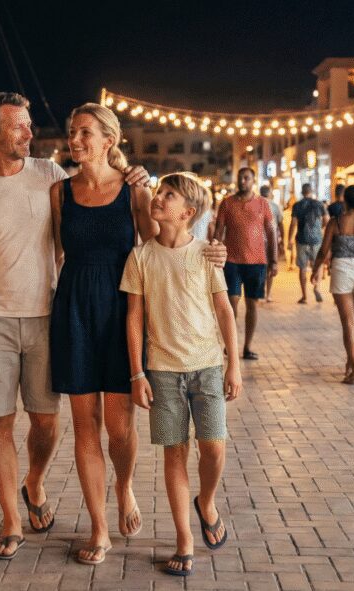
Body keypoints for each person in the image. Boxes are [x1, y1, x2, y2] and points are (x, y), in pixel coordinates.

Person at [0, 92, 171, 560]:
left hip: (58, 315)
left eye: (30, 124)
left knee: (55, 422)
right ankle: (15, 521)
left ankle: (49, 482)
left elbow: (151, 240)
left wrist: (203, 254)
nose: (30, 133)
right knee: (3, 424)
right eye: (18, 126)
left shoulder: (51, 176)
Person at [48, 103, 158, 565]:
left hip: (119, 308)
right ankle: (98, 527)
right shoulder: (60, 192)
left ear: (109, 139)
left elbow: (159, 244)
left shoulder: (132, 190)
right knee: (83, 424)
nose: (76, 140)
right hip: (72, 306)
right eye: (73, 132)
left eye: (85, 132)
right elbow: (56, 254)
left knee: (119, 426)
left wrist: (150, 192)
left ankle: (124, 484)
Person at [121, 172, 242, 577]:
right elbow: (134, 317)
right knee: (174, 454)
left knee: (214, 448)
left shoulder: (206, 253)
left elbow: (224, 310)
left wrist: (234, 364)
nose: (158, 199)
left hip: (207, 366)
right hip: (162, 371)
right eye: (158, 193)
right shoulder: (141, 256)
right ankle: (184, 538)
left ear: (188, 212)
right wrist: (137, 373)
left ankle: (206, 502)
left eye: (168, 196)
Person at [312, 185, 354, 384]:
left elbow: (323, 250)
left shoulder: (336, 223)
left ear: (345, 200)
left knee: (348, 323)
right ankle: (351, 364)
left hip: (342, 269)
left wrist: (316, 269)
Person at [213, 167, 277, 359]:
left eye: (246, 178)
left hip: (257, 262)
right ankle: (230, 345)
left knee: (252, 305)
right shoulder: (227, 203)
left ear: (253, 181)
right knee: (231, 305)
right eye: (240, 178)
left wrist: (273, 260)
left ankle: (247, 346)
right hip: (231, 261)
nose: (243, 181)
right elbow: (218, 232)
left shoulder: (263, 204)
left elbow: (272, 232)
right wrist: (214, 255)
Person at [287, 183, 329, 304]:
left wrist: (289, 239)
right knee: (318, 264)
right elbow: (327, 220)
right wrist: (319, 228)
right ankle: (317, 287)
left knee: (302, 268)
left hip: (302, 239)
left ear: (302, 192)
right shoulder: (319, 204)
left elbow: (293, 223)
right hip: (316, 240)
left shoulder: (297, 205)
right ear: (312, 191)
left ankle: (304, 296)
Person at [260, 184, 284, 302]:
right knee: (271, 266)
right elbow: (280, 223)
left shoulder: (257, 204)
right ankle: (268, 294)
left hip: (258, 241)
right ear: (269, 193)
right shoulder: (275, 206)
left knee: (260, 267)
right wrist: (282, 240)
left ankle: (260, 292)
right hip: (271, 241)